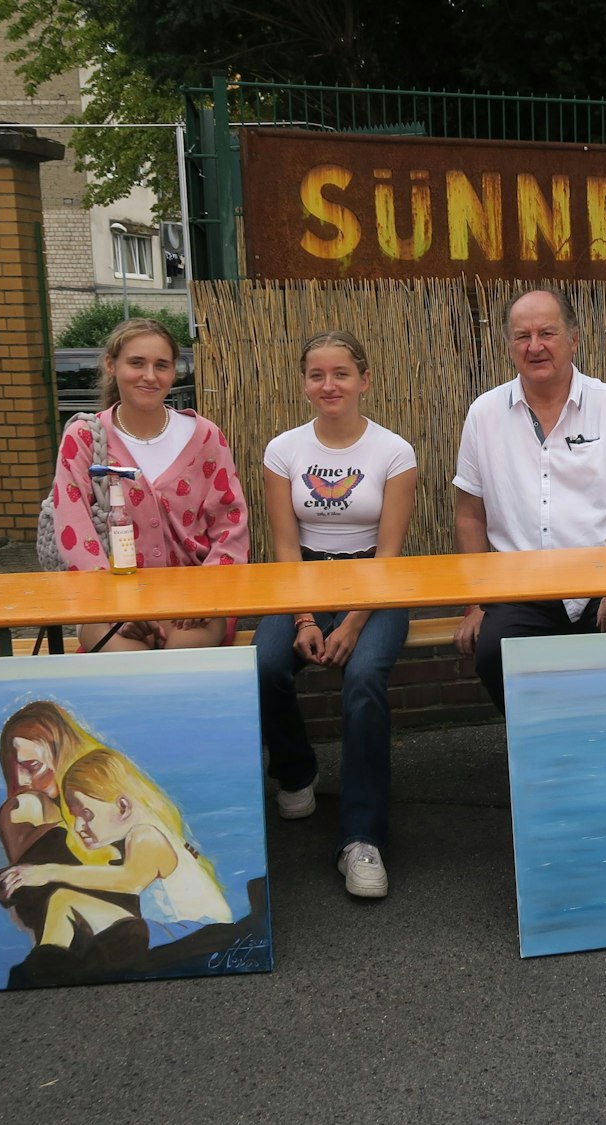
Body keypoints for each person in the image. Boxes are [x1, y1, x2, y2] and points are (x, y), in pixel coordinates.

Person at [254, 330, 417, 899]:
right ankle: (296, 771)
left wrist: (350, 622)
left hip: (375, 584)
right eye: (317, 375)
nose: (329, 385)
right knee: (262, 665)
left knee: (365, 678)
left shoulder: (393, 452)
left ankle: (362, 839)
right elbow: (285, 548)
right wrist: (303, 619)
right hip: (304, 580)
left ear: (364, 380)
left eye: (341, 374)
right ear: (304, 384)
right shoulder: (284, 450)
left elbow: (391, 555)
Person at [451, 288, 606, 710]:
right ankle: (547, 761)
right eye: (522, 336)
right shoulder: (484, 414)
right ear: (509, 346)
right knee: (493, 654)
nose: (535, 346)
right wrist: (473, 605)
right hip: (519, 592)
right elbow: (469, 514)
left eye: (547, 333)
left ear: (574, 339)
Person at [48, 318, 249, 652]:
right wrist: (115, 607)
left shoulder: (205, 437)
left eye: (162, 365)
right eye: (136, 363)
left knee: (182, 661)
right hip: (109, 602)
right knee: (128, 667)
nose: (150, 376)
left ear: (174, 372)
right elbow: (74, 530)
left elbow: (231, 524)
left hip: (196, 600)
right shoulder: (83, 439)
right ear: (111, 365)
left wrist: (208, 596)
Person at [0, 748, 234, 954]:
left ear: (122, 806)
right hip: (177, 930)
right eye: (75, 816)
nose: (79, 826)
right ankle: (47, 961)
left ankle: (44, 967)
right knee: (63, 900)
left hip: (197, 931)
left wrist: (49, 872)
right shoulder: (151, 833)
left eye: (86, 814)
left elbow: (129, 880)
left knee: (70, 904)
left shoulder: (147, 835)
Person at [0, 701, 135, 934]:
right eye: (12, 766)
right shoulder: (25, 808)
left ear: (62, 753)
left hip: (117, 927)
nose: (23, 781)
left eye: (31, 765)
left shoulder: (108, 800)